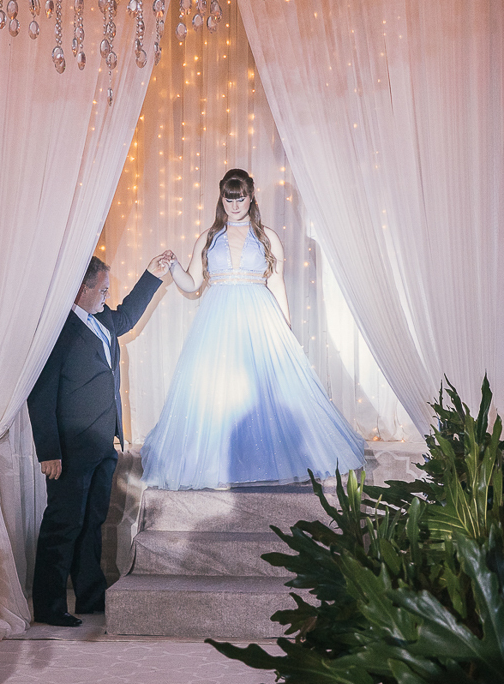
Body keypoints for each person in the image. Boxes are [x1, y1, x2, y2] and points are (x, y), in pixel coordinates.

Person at [140, 169, 365, 490]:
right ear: (221, 198)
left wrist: (285, 330)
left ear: (251, 197)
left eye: (240, 198)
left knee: (261, 389)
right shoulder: (208, 237)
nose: (234, 205)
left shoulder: (267, 237)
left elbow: (276, 284)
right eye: (229, 198)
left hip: (260, 320)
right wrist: (174, 265)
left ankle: (266, 463)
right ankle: (218, 467)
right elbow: (191, 284)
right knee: (221, 390)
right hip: (217, 324)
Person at [28, 252, 172, 626]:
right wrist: (49, 450)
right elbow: (40, 395)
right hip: (69, 450)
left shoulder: (104, 319)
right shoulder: (56, 331)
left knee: (92, 524)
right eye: (103, 290)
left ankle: (90, 596)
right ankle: (48, 606)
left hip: (102, 444)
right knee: (63, 526)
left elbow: (127, 316)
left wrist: (152, 275)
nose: (107, 297)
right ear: (82, 288)